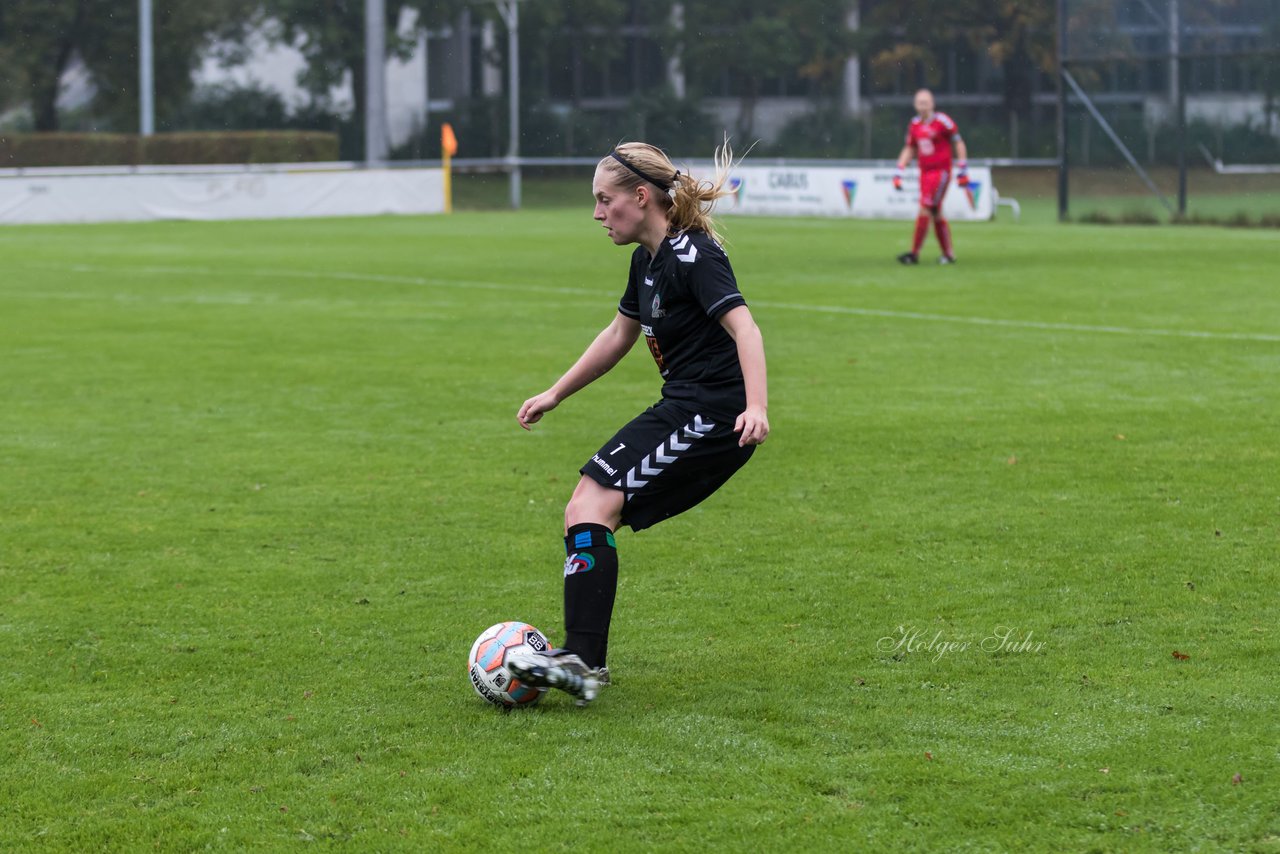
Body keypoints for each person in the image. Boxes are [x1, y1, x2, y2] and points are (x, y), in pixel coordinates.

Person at [508, 142, 770, 706]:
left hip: (715, 416)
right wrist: (555, 392)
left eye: (605, 201)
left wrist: (757, 407)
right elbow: (617, 336)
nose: (599, 214)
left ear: (640, 196)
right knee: (583, 506)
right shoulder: (646, 261)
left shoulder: (694, 256)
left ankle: (582, 666)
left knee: (593, 506)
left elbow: (746, 330)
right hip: (683, 405)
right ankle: (582, 665)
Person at [893, 88, 969, 265]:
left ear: (932, 104)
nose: (922, 106)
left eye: (925, 103)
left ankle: (914, 254)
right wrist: (899, 171)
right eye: (919, 103)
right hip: (924, 173)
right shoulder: (914, 125)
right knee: (936, 212)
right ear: (914, 105)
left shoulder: (943, 122)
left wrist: (963, 168)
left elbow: (958, 142)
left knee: (925, 208)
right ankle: (948, 255)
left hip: (940, 173)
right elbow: (910, 148)